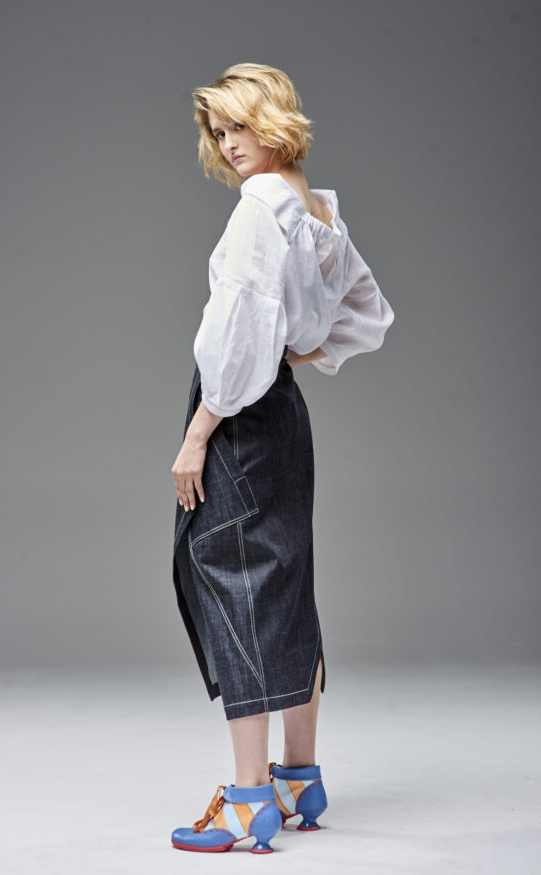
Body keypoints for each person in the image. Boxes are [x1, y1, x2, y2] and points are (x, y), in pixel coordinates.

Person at [169, 62, 395, 854]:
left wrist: (198, 433)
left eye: (241, 124)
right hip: (284, 414)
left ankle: (247, 799)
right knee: (286, 581)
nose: (229, 142)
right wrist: (294, 353)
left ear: (275, 118)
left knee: (232, 579)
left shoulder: (258, 209)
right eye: (219, 130)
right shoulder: (317, 210)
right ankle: (300, 777)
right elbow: (367, 313)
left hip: (236, 413)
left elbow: (239, 334)